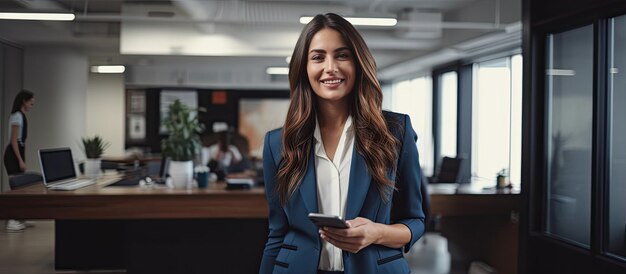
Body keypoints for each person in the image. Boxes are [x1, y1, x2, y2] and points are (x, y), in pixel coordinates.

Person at [260, 13, 424, 274]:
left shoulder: (396, 131)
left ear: (358, 63)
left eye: (342, 55)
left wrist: (377, 233)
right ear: (304, 67)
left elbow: (415, 221)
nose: (330, 67)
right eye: (317, 57)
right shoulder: (277, 143)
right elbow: (277, 233)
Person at [4, 89, 35, 232]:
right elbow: (14, 141)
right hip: (12, 155)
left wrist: (22, 159)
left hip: (18, 154)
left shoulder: (22, 116)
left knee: (21, 189)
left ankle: (19, 218)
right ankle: (11, 221)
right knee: (15, 190)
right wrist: (20, 160)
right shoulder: (17, 116)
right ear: (24, 101)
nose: (31, 105)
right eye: (30, 102)